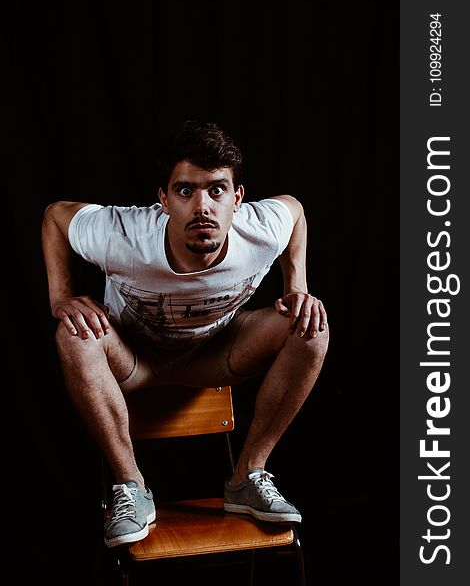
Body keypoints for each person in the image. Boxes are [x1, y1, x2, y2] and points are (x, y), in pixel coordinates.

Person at [41, 120, 329, 549]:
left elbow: (296, 211)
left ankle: (247, 476)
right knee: (73, 333)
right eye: (185, 191)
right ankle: (131, 486)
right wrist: (61, 296)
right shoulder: (123, 235)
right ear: (163, 200)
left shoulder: (261, 228)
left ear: (237, 198)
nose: (202, 207)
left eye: (216, 190)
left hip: (214, 355)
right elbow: (56, 216)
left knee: (311, 327)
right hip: (133, 359)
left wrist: (297, 288)